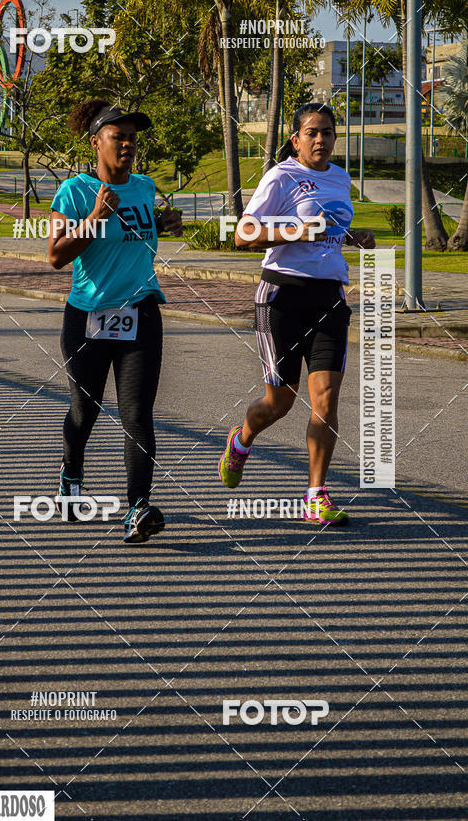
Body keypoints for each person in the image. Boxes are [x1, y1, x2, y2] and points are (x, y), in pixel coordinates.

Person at [219, 102, 375, 526]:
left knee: (325, 400)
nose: (320, 139)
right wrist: (298, 229)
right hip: (281, 296)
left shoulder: (341, 178)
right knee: (280, 401)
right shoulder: (281, 176)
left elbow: (332, 231)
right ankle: (242, 439)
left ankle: (315, 496)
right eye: (312, 133)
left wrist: (356, 237)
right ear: (296, 140)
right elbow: (244, 234)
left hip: (330, 298)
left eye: (327, 132)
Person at [48, 98, 182, 543]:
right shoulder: (73, 191)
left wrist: (165, 222)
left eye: (132, 138)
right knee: (84, 410)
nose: (127, 144)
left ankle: (138, 508)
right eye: (117, 137)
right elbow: (54, 257)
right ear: (96, 143)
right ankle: (70, 474)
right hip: (88, 316)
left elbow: (141, 235)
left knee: (137, 415)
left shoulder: (144, 187)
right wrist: (92, 219)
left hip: (141, 312)